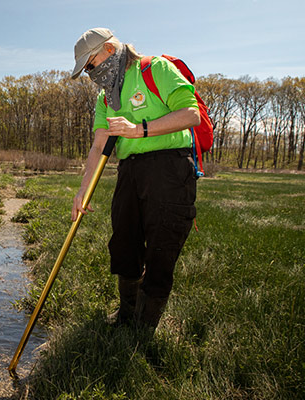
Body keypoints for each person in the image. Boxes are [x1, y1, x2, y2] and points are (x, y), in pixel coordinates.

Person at [70, 28, 200, 333]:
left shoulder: (155, 69)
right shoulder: (106, 97)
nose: (90, 74)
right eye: (86, 70)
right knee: (124, 243)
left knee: (161, 248)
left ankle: (144, 328)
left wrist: (138, 129)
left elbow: (190, 114)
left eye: (90, 65)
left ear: (110, 49)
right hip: (129, 170)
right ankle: (126, 314)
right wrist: (82, 191)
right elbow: (99, 144)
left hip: (169, 168)